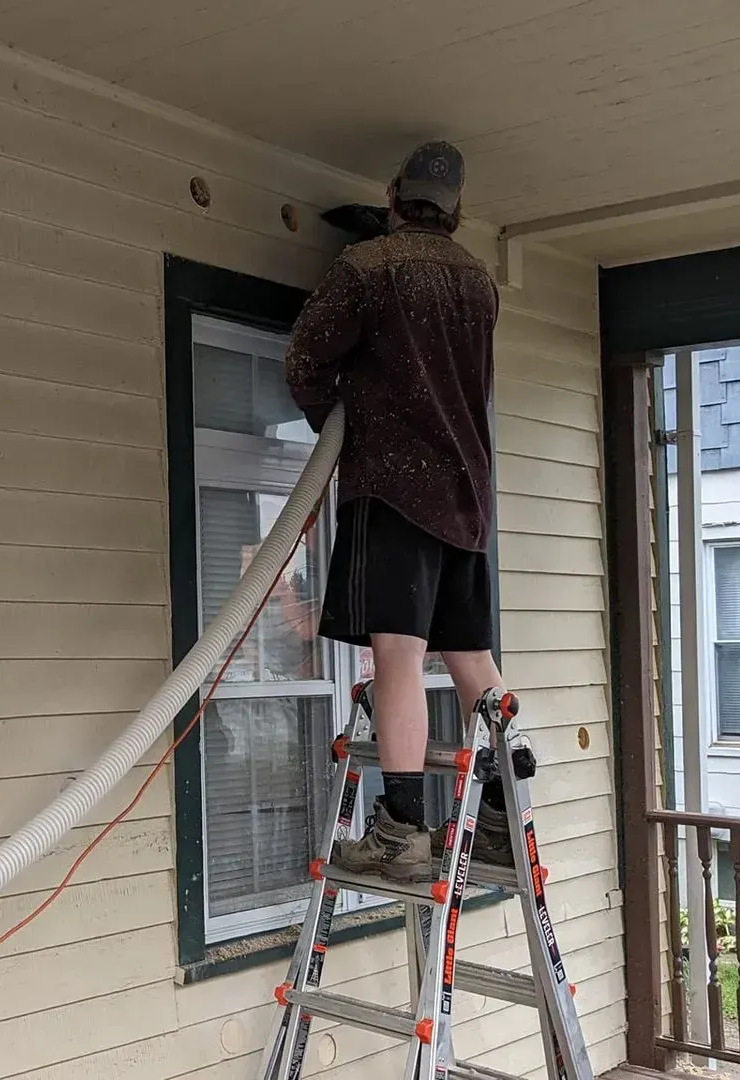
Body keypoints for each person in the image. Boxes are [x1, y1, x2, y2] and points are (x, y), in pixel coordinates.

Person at [282, 139, 513, 882]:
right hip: (468, 498)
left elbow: (304, 360)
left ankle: (403, 831)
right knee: (472, 660)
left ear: (392, 195)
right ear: (456, 213)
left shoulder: (367, 269)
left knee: (398, 658)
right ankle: (506, 814)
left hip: (395, 492)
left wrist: (337, 423)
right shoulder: (480, 283)